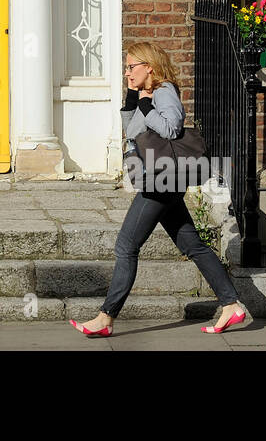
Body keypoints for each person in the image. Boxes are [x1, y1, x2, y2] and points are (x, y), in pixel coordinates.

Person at [69, 41, 248, 337]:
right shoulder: (148, 94)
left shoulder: (164, 92)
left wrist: (145, 105)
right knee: (193, 246)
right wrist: (133, 102)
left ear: (149, 67)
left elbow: (171, 128)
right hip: (161, 180)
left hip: (160, 181)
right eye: (126, 67)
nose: (127, 72)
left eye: (131, 67)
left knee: (126, 246)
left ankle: (105, 317)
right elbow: (135, 134)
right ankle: (231, 305)